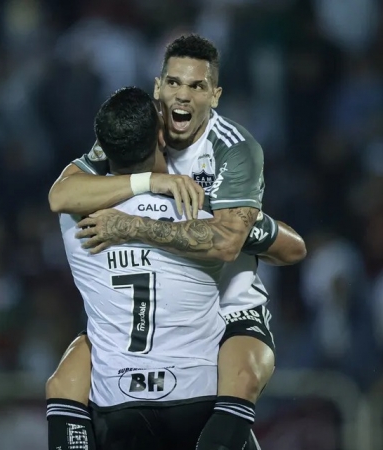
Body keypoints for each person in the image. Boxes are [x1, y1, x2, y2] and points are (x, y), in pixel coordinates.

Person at [48, 35, 306, 450]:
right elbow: (61, 194)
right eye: (173, 83)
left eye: (196, 86)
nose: (181, 96)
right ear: (157, 87)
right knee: (65, 380)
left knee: (240, 378)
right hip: (155, 312)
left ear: (215, 96)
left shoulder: (235, 149)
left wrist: (130, 226)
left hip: (227, 305)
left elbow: (228, 244)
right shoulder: (141, 129)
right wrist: (152, 180)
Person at [59, 85, 237, 450]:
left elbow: (60, 192)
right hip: (197, 396)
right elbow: (286, 245)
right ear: (161, 135)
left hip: (119, 401)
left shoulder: (79, 217)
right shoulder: (204, 212)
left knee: (66, 377)